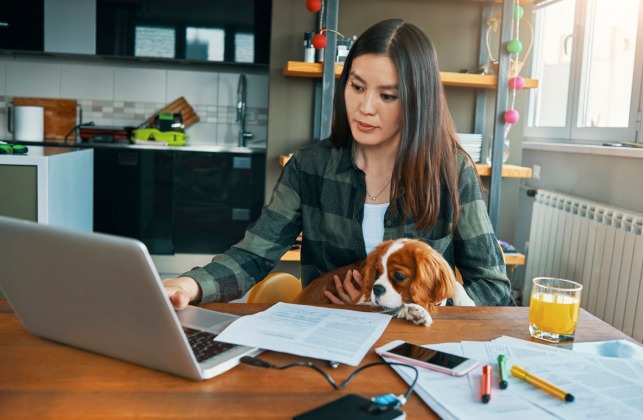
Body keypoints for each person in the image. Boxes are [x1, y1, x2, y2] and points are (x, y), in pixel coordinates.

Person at [163, 18, 513, 310]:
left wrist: (410, 306)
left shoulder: (451, 171)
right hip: (326, 336)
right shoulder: (308, 168)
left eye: (387, 96)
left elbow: (493, 288)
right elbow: (253, 255)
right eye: (357, 87)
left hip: (416, 349)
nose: (365, 108)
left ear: (417, 102)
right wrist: (190, 284)